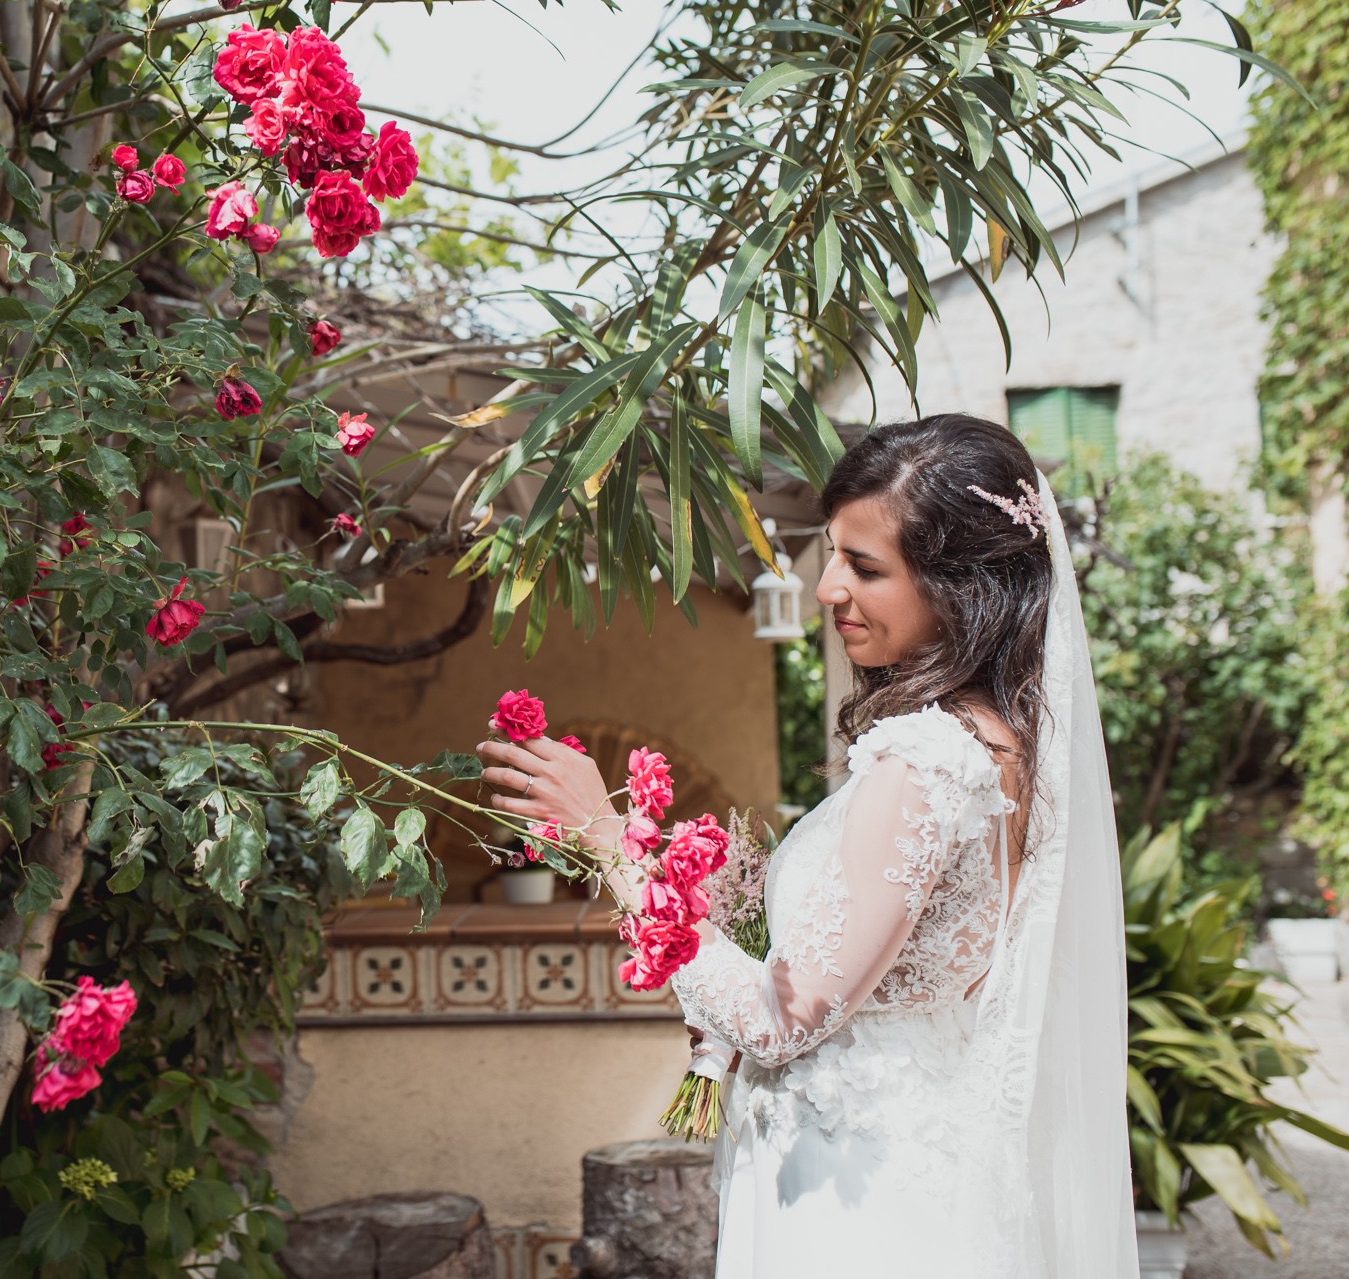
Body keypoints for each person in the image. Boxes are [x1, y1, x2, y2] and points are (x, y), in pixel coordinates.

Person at [476, 415, 1134, 1278]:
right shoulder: (1005, 743)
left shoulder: (925, 761)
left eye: (865, 567)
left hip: (858, 1195)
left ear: (961, 587)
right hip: (924, 1161)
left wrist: (606, 836)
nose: (827, 588)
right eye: (832, 554)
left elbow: (780, 1019)